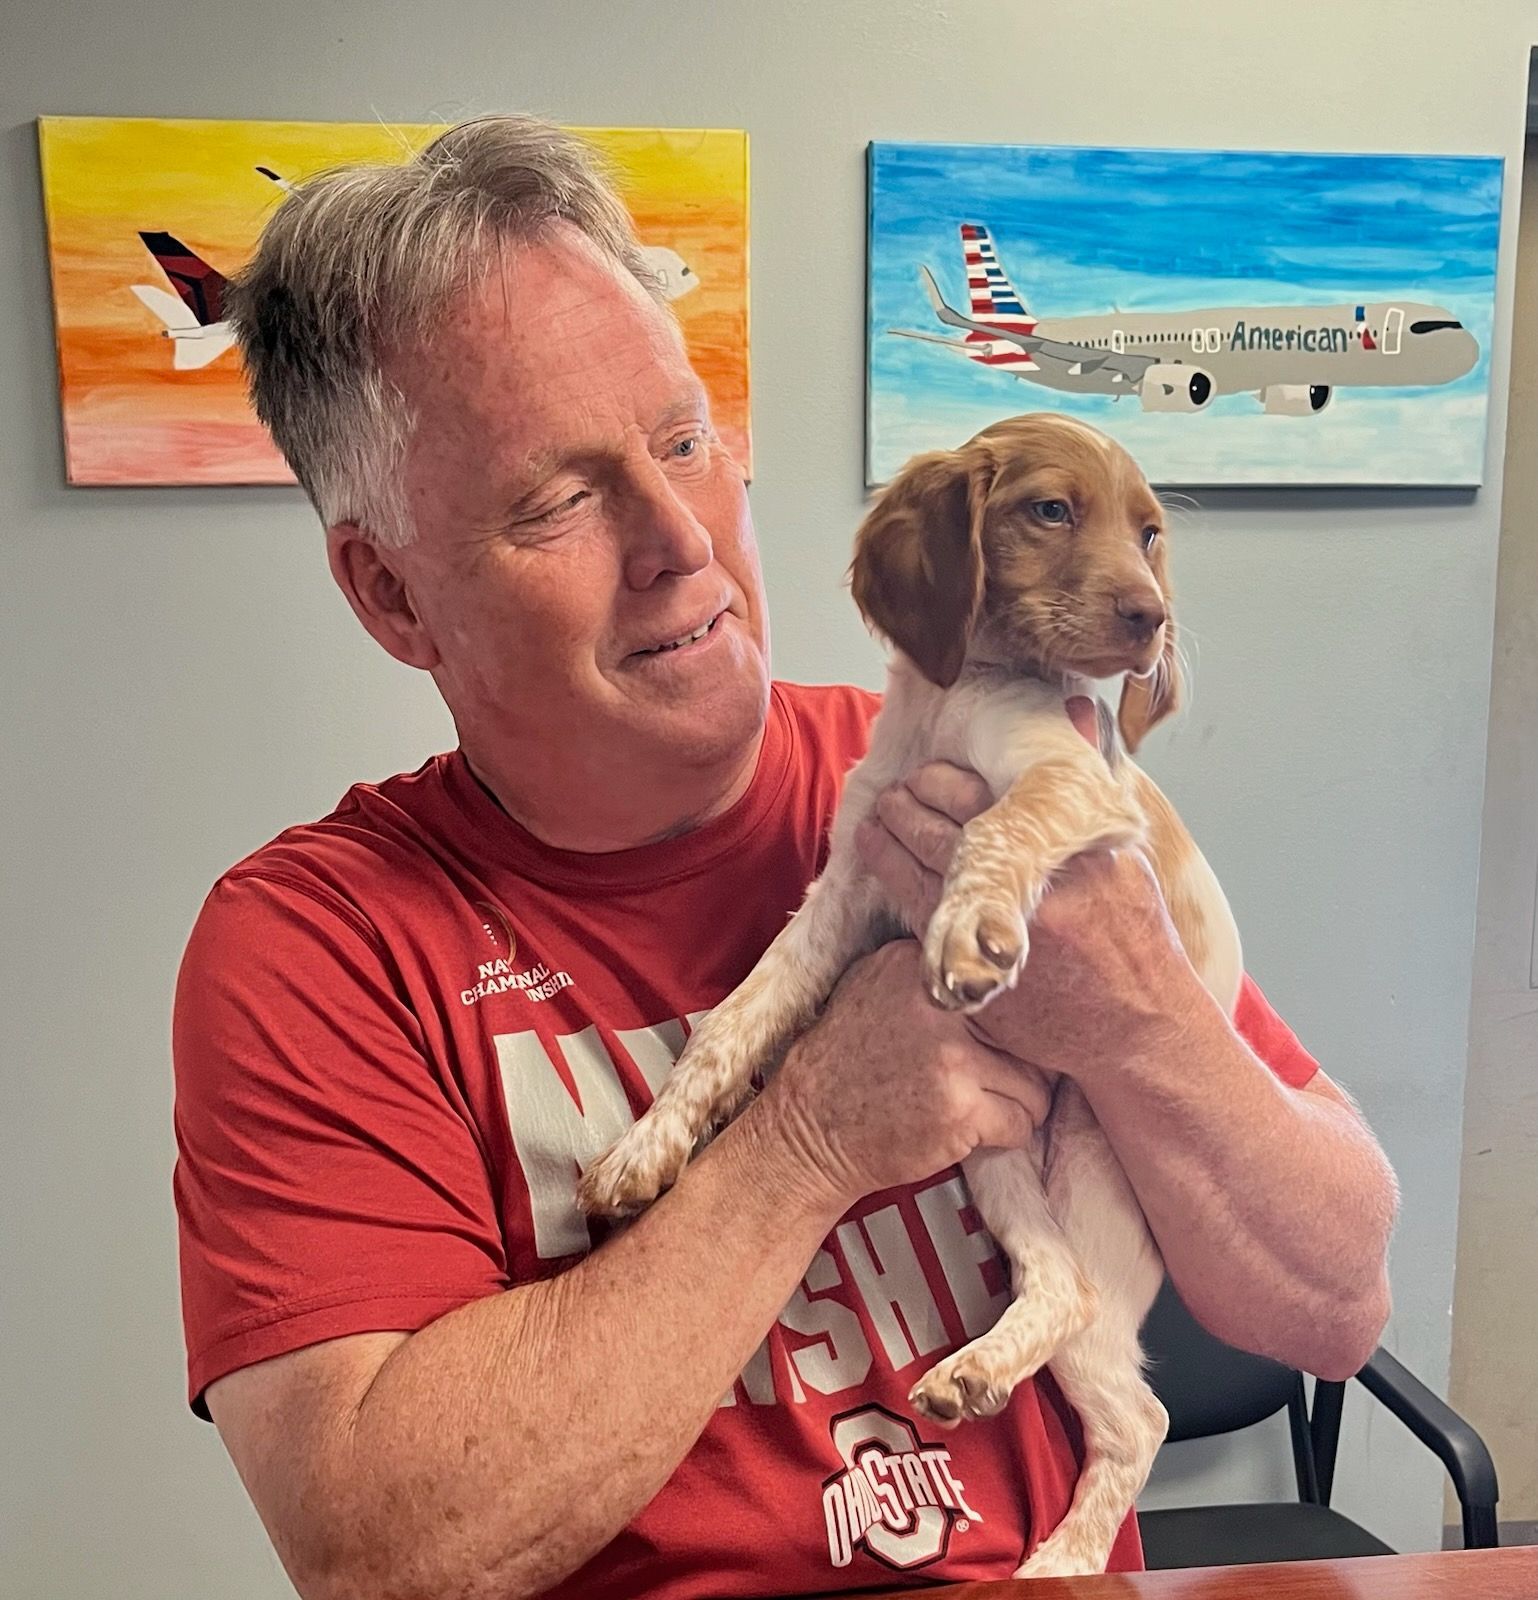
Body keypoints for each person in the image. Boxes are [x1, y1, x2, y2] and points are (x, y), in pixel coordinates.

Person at [172, 115, 1398, 1600]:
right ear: (393, 597)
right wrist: (810, 1136)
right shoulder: (320, 946)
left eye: (686, 440)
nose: (679, 537)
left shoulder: (962, 785)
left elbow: (1335, 1300)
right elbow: (385, 1557)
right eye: (557, 498)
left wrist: (1138, 1025)